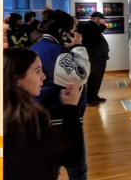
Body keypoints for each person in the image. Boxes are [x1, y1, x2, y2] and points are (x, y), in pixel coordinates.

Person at [4, 47, 83, 179]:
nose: (43, 77)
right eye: (37, 71)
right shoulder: (30, 121)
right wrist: (70, 107)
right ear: (18, 78)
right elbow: (71, 156)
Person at [30, 10, 90, 180]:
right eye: (73, 29)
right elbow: (81, 75)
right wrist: (78, 47)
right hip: (60, 120)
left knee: (50, 170)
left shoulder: (39, 47)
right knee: (76, 169)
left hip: (45, 115)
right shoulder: (56, 52)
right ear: (62, 31)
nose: (75, 33)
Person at [78, 12, 110, 106]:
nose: (103, 21)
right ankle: (90, 98)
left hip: (98, 57)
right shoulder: (88, 25)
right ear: (96, 18)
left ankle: (94, 96)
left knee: (97, 79)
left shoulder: (92, 26)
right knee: (93, 78)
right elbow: (95, 34)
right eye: (101, 19)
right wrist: (103, 25)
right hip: (94, 58)